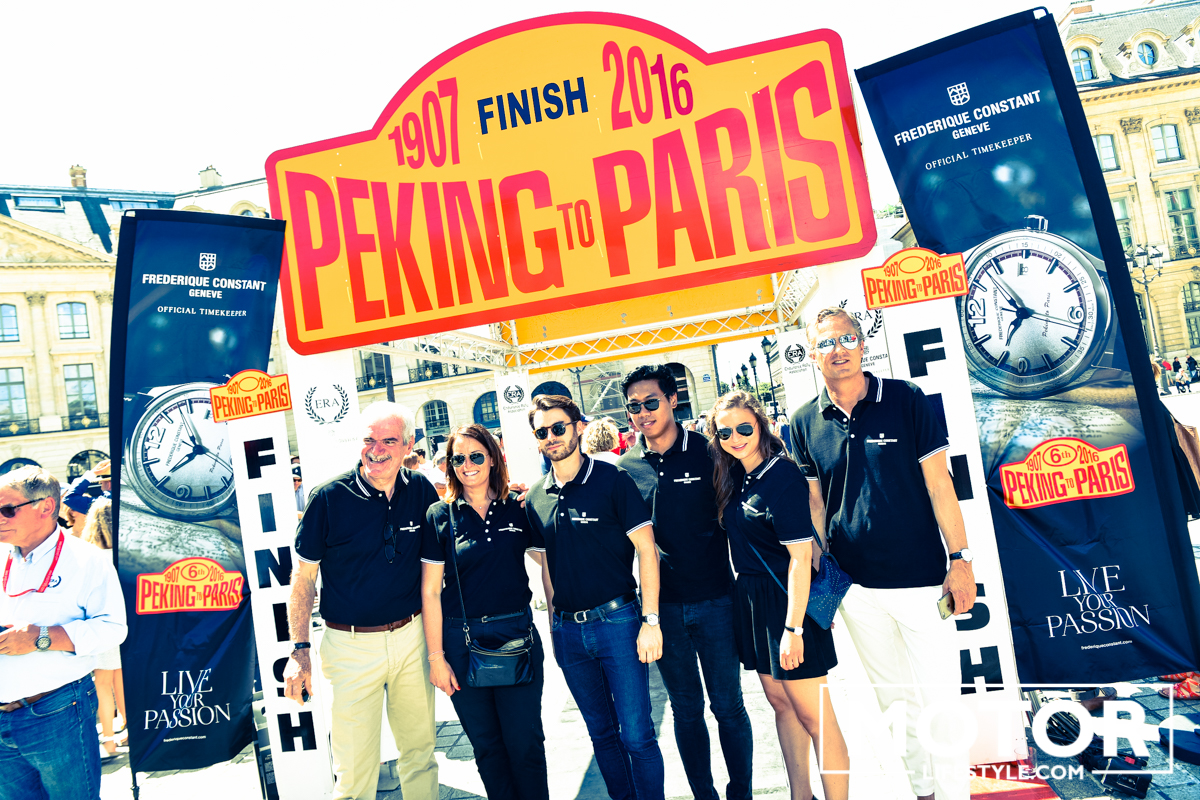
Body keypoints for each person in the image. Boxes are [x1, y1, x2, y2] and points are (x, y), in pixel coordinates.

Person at [790, 307, 975, 800]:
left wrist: (960, 559)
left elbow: (940, 485)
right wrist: (822, 582)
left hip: (922, 582)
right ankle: (924, 793)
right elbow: (814, 505)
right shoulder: (803, 421)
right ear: (812, 354)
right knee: (895, 704)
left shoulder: (906, 398)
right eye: (826, 343)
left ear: (862, 344)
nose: (839, 350)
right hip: (857, 592)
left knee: (941, 703)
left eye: (847, 339)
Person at [285, 401, 440, 800]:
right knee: (354, 774)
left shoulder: (420, 489)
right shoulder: (327, 497)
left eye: (389, 441)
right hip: (350, 647)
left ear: (408, 446)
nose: (377, 450)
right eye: (370, 440)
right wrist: (299, 651)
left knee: (421, 756)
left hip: (412, 639)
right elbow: (303, 579)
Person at [619, 365, 754, 800]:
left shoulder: (710, 452)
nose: (643, 413)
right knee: (686, 711)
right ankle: (704, 795)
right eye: (634, 406)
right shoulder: (625, 468)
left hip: (717, 601)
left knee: (729, 708)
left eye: (651, 402)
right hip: (663, 611)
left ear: (673, 400)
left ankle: (741, 794)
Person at [524, 394, 666, 800]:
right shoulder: (535, 496)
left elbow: (647, 550)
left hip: (618, 622)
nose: (551, 437)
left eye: (558, 427)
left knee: (637, 735)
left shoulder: (612, 479)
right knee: (601, 734)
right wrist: (554, 627)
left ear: (578, 427)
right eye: (542, 432)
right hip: (569, 632)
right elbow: (547, 567)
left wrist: (650, 621)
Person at [708, 390, 847, 800]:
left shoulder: (781, 475)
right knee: (782, 705)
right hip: (753, 602)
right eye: (725, 432)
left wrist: (794, 628)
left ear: (761, 424)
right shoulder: (736, 476)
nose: (735, 438)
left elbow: (800, 558)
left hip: (788, 604)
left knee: (817, 717)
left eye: (744, 428)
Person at [420, 424, 549, 800]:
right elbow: (430, 591)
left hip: (517, 638)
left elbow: (550, 564)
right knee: (488, 749)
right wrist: (436, 658)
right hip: (461, 644)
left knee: (525, 744)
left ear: (493, 458)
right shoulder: (439, 515)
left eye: (476, 456)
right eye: (458, 458)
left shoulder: (518, 507)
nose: (467, 465)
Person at [0, 466, 127, 800]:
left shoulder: (87, 560)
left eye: (7, 509)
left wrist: (40, 637)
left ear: (46, 507)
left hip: (55, 711)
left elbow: (113, 629)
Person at [80, 498, 126, 758]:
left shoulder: (89, 557)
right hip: (125, 625)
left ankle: (108, 741)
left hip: (100, 625)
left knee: (103, 684)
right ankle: (132, 730)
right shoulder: (125, 554)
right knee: (123, 680)